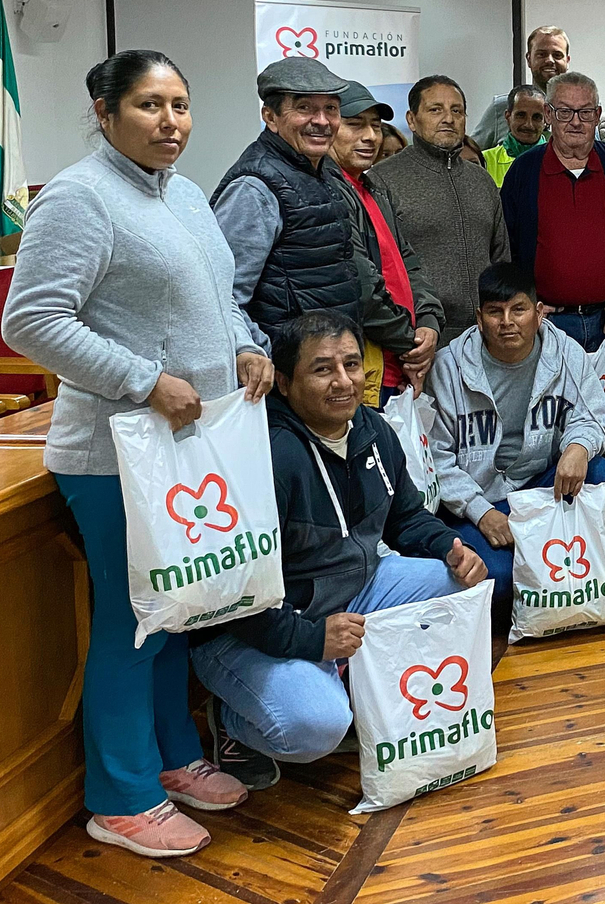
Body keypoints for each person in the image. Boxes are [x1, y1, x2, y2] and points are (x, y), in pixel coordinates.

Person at [1, 50, 274, 857]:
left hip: (188, 452)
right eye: (151, 106)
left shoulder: (185, 194)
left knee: (176, 612)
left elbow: (213, 297)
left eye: (181, 105)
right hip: (113, 455)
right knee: (132, 624)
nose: (171, 123)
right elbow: (33, 321)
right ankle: (119, 796)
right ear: (104, 111)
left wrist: (246, 345)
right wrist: (145, 380)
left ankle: (172, 759)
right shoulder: (81, 199)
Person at [191, 312, 486, 788]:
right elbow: (236, 593)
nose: (344, 381)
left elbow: (406, 515)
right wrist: (311, 640)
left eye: (352, 364)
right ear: (283, 383)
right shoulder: (265, 454)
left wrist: (447, 545)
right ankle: (231, 722)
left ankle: (351, 683)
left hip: (349, 591)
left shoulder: (372, 428)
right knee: (314, 727)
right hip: (251, 628)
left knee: (452, 582)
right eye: (323, 369)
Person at [425, 262, 605, 596]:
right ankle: (544, 565)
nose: (507, 322)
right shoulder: (447, 367)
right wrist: (480, 512)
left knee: (598, 470)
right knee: (496, 580)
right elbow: (435, 460)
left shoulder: (566, 353)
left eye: (519, 309)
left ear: (539, 313)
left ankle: (566, 565)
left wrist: (577, 448)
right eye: (495, 312)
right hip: (479, 501)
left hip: (540, 490)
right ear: (479, 317)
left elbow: (594, 417)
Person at [501, 71, 605, 353]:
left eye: (585, 112)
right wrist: (524, 300)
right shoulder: (524, 172)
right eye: (565, 112)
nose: (576, 121)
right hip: (544, 327)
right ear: (548, 115)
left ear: (598, 114)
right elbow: (504, 246)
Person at [210, 57, 361, 351]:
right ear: (270, 117)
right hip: (284, 374)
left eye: (330, 108)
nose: (321, 121)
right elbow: (224, 296)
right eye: (304, 108)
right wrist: (263, 356)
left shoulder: (324, 169)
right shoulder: (255, 187)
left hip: (327, 363)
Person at [367, 74, 511, 348]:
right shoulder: (381, 180)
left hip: (484, 338)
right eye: (435, 110)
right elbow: (379, 269)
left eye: (456, 110)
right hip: (418, 339)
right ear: (411, 119)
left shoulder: (481, 180)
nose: (448, 118)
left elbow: (500, 257)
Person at [326, 81, 443, 402]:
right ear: (330, 126)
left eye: (376, 126)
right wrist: (411, 345)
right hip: (365, 364)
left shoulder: (374, 187)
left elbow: (409, 262)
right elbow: (362, 287)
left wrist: (429, 324)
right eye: (355, 125)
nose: (370, 137)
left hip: (400, 362)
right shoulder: (327, 192)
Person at [472, 26, 571, 148]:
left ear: (567, 60)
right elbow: (469, 157)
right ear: (529, 59)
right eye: (541, 54)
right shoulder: (501, 106)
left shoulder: (581, 112)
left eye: (557, 55)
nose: (550, 60)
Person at [480, 84, 547, 186]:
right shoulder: (483, 161)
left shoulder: (560, 162)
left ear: (546, 120)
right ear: (508, 117)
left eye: (536, 117)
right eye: (521, 115)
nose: (528, 124)